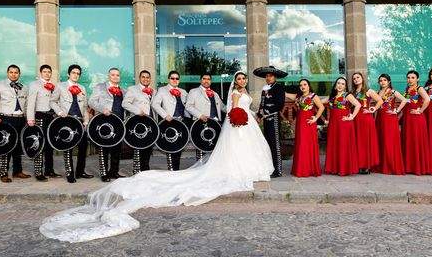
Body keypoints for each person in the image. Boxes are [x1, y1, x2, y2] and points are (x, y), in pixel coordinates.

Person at [40, 70, 273, 243]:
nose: (174, 82)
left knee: (175, 150)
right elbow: (159, 105)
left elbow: (223, 108)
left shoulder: (189, 91)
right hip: (138, 121)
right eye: (171, 79)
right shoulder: (150, 91)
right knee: (123, 149)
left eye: (175, 79)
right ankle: (106, 173)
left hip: (224, 123)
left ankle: (127, 171)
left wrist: (248, 114)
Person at [50, 64, 93, 183]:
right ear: (69, 74)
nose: (76, 75)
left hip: (79, 120)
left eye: (78, 73)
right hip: (66, 120)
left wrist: (86, 121)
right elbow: (52, 101)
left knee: (83, 146)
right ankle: (70, 173)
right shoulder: (60, 86)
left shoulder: (82, 88)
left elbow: (85, 107)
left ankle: (80, 171)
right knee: (67, 147)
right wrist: (59, 112)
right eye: (74, 73)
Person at [0, 64, 30, 183]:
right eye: (11, 72)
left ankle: (17, 171)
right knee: (6, 145)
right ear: (7, 73)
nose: (13, 74)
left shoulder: (24, 87)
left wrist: (28, 117)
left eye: (16, 72)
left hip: (20, 119)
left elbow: (26, 104)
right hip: (6, 119)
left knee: (18, 146)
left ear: (19, 74)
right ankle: (4, 173)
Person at [89, 68, 126, 182]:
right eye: (113, 75)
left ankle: (114, 172)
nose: (115, 77)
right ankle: (104, 174)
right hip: (104, 122)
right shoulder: (100, 87)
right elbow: (91, 101)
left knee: (117, 148)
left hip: (119, 122)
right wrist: (102, 109)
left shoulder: (123, 91)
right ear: (108, 76)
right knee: (104, 148)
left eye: (117, 75)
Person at [26, 64, 60, 181]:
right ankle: (38, 172)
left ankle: (49, 170)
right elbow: (31, 102)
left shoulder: (54, 85)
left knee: (50, 145)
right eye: (44, 72)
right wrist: (30, 118)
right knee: (40, 144)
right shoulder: (34, 85)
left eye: (49, 72)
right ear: (41, 73)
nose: (47, 74)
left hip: (51, 117)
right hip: (40, 116)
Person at [151, 70, 189, 171]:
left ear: (179, 80)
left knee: (179, 146)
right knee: (169, 145)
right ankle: (171, 169)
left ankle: (176, 169)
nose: (175, 80)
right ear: (168, 79)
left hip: (181, 122)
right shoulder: (162, 90)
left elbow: (188, 106)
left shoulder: (184, 92)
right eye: (172, 78)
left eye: (177, 78)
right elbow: (155, 104)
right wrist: (165, 115)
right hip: (169, 121)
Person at [323, 77, 361, 176]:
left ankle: (344, 168)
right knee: (335, 144)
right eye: (338, 83)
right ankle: (334, 168)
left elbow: (358, 105)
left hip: (344, 123)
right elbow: (319, 101)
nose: (340, 85)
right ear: (335, 85)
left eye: (343, 84)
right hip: (334, 124)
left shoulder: (347, 95)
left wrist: (352, 116)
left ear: (345, 87)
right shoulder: (332, 96)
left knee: (343, 144)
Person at [254, 66, 287, 178]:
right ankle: (270, 167)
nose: (268, 78)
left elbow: (280, 105)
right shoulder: (265, 88)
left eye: (271, 76)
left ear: (275, 76)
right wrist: (258, 115)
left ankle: (278, 171)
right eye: (267, 76)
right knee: (267, 144)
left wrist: (267, 110)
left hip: (274, 119)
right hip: (266, 120)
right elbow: (262, 104)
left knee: (275, 145)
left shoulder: (278, 88)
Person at [185, 73, 226, 162]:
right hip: (200, 123)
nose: (206, 81)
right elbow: (188, 106)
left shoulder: (215, 94)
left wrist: (235, 108)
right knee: (201, 147)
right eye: (204, 79)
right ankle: (199, 167)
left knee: (214, 148)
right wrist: (200, 115)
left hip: (215, 124)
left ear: (211, 81)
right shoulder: (194, 91)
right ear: (200, 80)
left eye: (208, 79)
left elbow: (222, 107)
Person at [122, 69, 156, 174]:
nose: (145, 79)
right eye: (143, 77)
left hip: (151, 122)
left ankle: (146, 169)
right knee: (138, 147)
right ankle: (137, 170)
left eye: (147, 77)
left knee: (148, 146)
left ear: (150, 79)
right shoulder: (132, 89)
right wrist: (137, 111)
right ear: (139, 78)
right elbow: (125, 103)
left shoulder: (153, 91)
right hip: (138, 122)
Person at [373, 73, 407, 175]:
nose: (382, 82)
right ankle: (382, 165)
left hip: (389, 118)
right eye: (381, 80)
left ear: (389, 81)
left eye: (384, 80)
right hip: (380, 118)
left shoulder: (393, 91)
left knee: (389, 142)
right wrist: (374, 120)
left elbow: (404, 100)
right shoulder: (378, 92)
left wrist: (396, 111)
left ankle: (392, 166)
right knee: (381, 141)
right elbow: (376, 108)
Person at [290, 79, 324, 177]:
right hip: (300, 123)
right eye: (300, 85)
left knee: (307, 145)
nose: (303, 86)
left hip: (309, 123)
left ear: (309, 86)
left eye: (305, 84)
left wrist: (316, 118)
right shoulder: (299, 96)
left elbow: (321, 107)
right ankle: (300, 168)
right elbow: (288, 95)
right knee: (300, 144)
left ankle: (309, 169)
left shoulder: (313, 96)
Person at [401, 70, 432, 175]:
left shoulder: (420, 88)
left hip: (416, 118)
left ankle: (418, 167)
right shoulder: (406, 89)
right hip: (407, 117)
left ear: (417, 79)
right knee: (408, 140)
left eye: (412, 77)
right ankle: (409, 166)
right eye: (408, 77)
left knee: (416, 140)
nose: (410, 80)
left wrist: (420, 110)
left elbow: (427, 99)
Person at [351, 72, 381, 174]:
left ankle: (367, 165)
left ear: (362, 78)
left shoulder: (368, 91)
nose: (356, 80)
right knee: (357, 141)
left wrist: (372, 109)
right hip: (355, 118)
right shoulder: (352, 92)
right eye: (354, 78)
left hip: (365, 118)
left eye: (358, 77)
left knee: (365, 141)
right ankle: (358, 164)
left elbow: (380, 101)